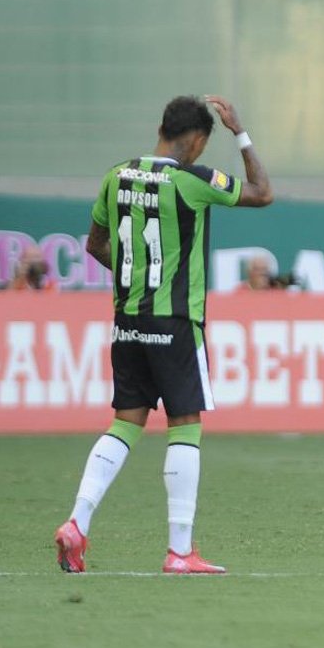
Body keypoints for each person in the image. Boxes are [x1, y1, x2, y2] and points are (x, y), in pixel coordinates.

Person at [54, 95, 273, 574]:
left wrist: (134, 278)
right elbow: (262, 192)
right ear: (197, 141)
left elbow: (94, 244)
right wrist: (239, 132)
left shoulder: (116, 177)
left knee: (124, 424)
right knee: (186, 425)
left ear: (160, 128)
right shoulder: (193, 180)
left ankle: (77, 523)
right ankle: (179, 551)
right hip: (174, 322)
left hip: (127, 321)